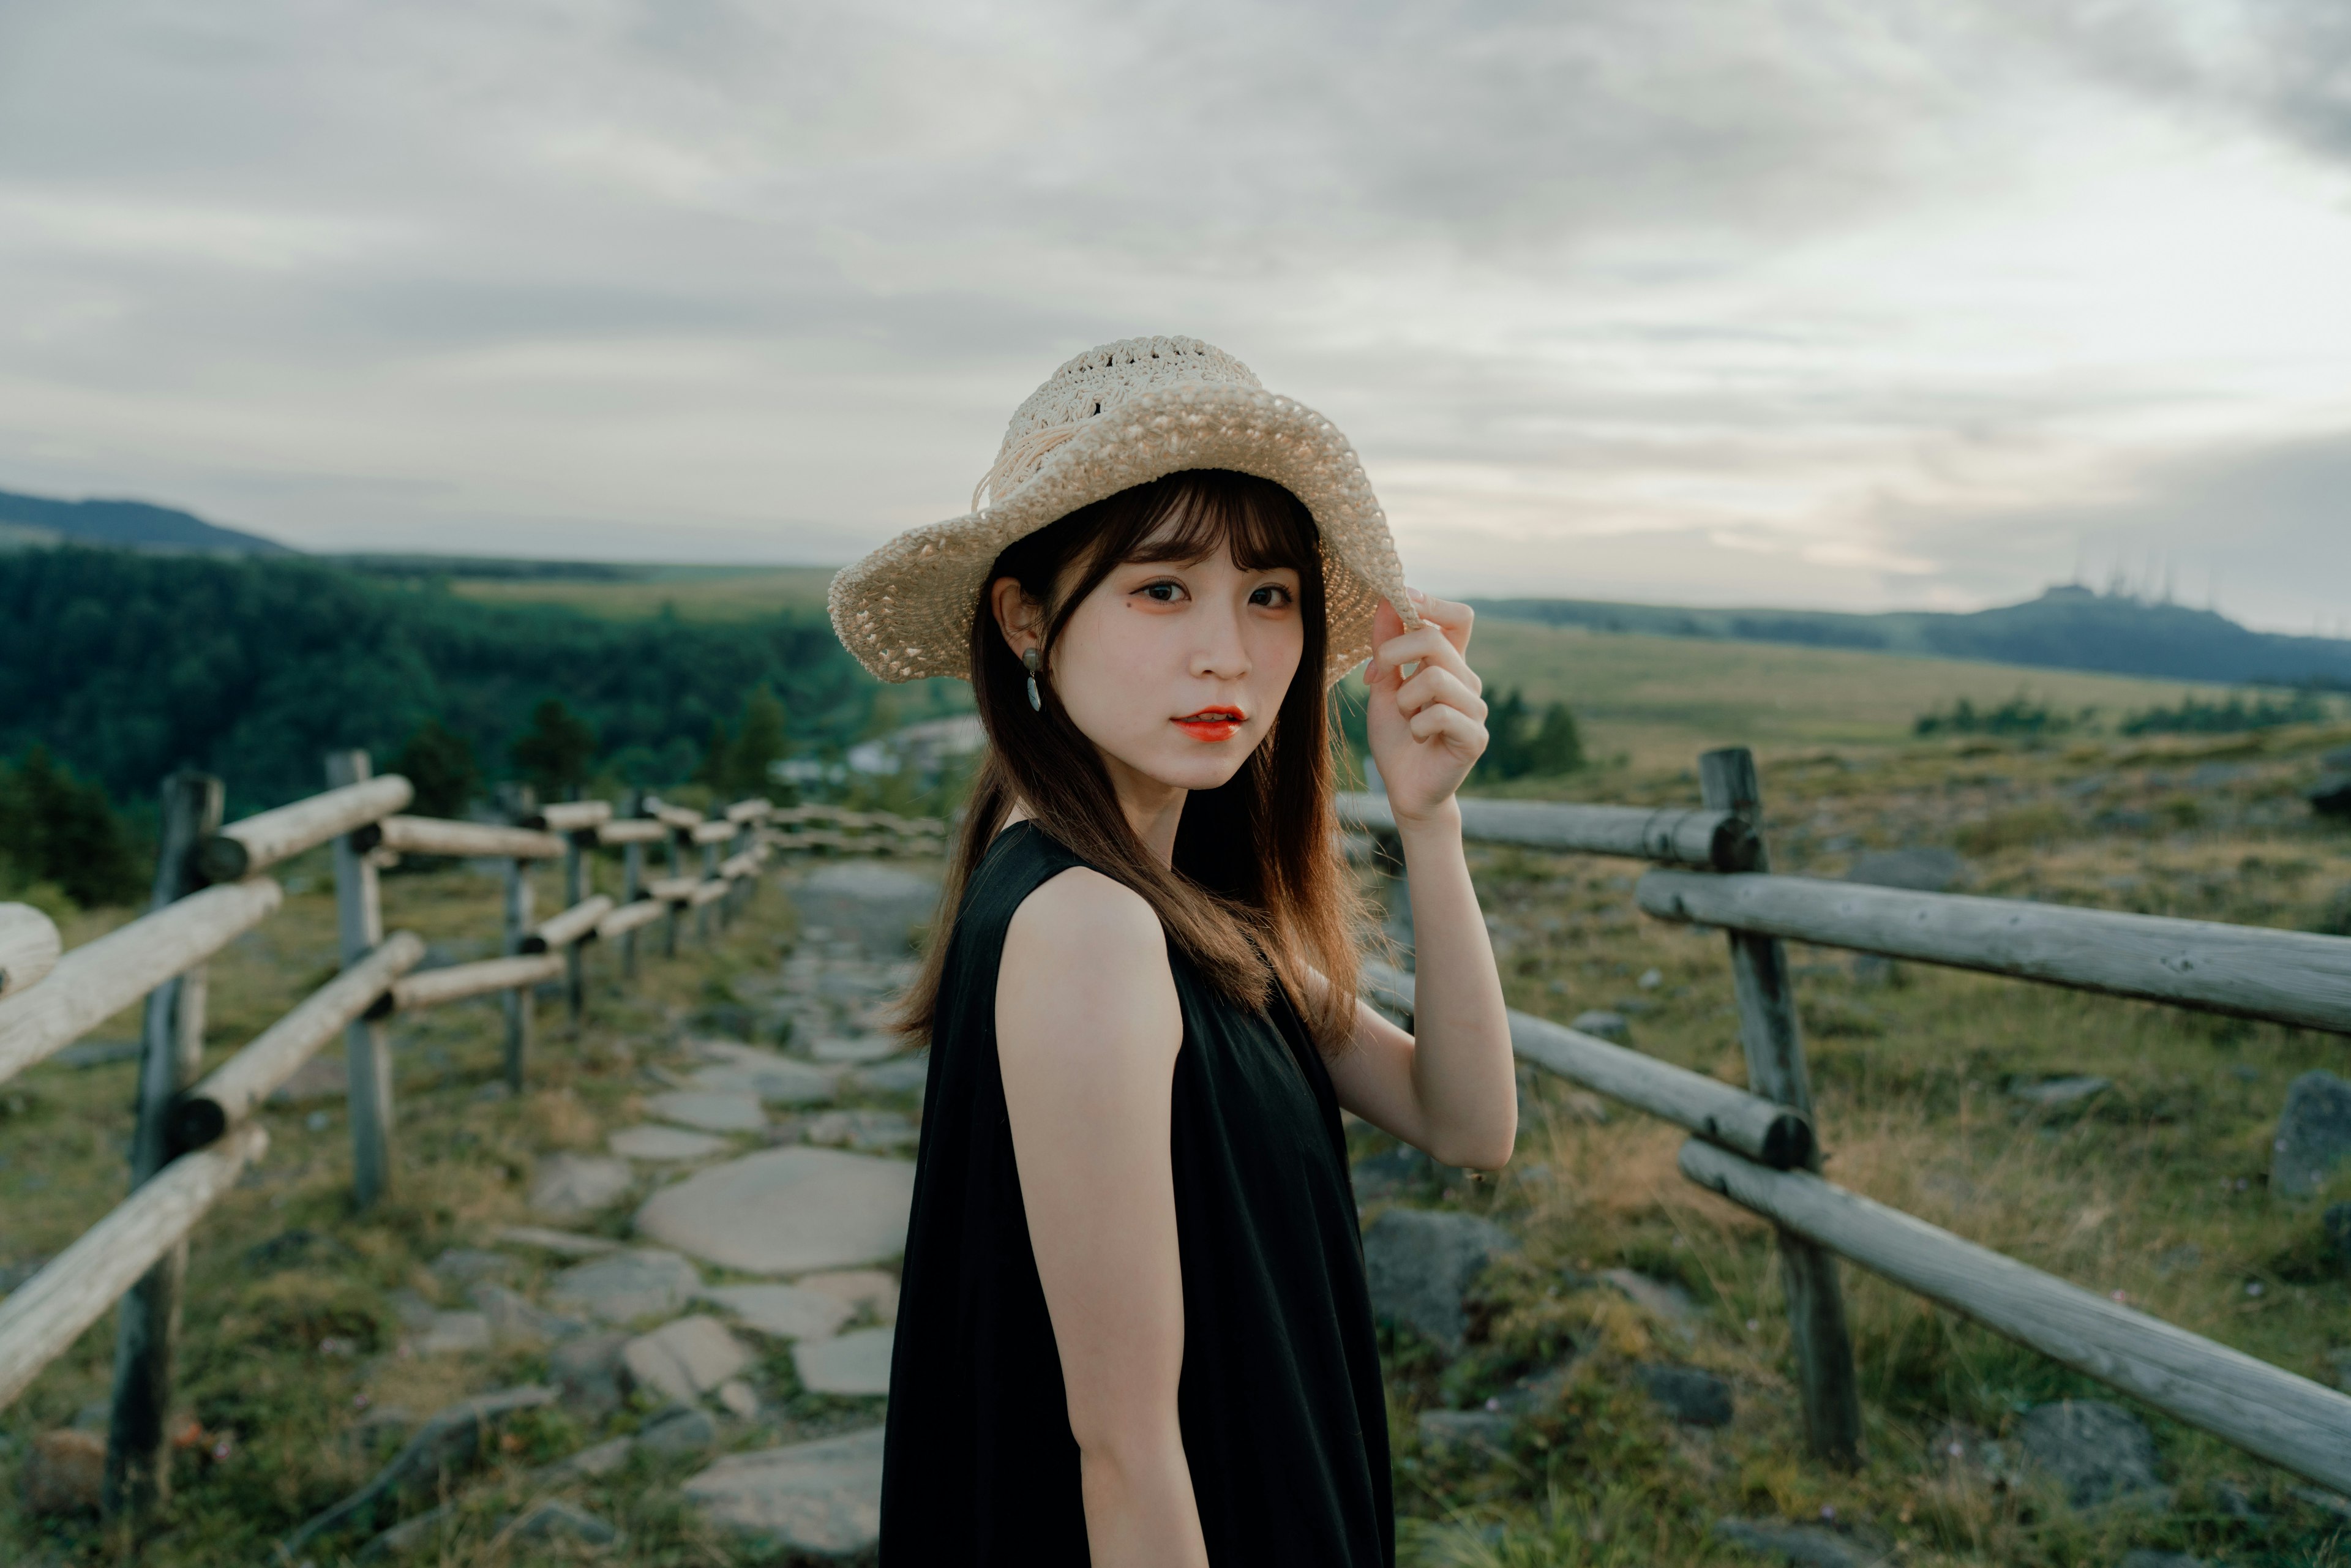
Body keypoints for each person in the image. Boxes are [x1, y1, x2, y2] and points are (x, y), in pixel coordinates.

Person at [828, 336, 1515, 1565]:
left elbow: (1466, 1120)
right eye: (1161, 589)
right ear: (1028, 619)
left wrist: (1431, 819)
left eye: (1270, 595)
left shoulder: (1168, 899)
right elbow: (1125, 1450)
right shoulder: (1087, 925)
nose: (1230, 653)